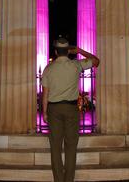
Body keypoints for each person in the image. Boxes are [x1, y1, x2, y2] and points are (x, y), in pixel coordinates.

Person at [42, 38, 99, 182]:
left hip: (53, 109)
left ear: (55, 52)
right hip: (71, 109)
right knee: (71, 146)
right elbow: (96, 60)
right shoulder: (76, 65)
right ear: (68, 51)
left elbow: (45, 94)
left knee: (55, 146)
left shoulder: (48, 68)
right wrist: (79, 51)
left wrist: (44, 112)